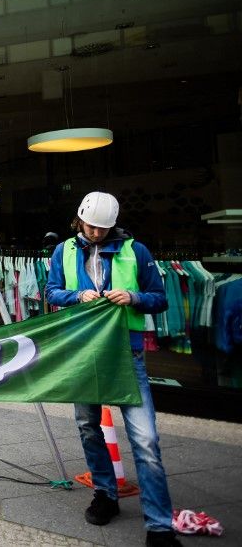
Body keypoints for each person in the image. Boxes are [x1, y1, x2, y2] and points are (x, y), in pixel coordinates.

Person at [44, 192, 180, 547]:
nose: (96, 233)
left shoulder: (137, 251)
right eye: (91, 227)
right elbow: (52, 292)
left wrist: (133, 297)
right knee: (88, 426)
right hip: (84, 351)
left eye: (102, 229)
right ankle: (105, 494)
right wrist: (76, 297)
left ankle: (160, 527)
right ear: (79, 220)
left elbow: (160, 297)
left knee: (146, 440)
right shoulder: (64, 251)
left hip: (125, 353)